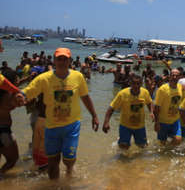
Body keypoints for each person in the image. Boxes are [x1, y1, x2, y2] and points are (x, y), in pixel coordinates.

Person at [16, 48, 99, 180]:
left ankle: (69, 172)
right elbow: (29, 90)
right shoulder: (44, 78)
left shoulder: (78, 77)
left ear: (69, 61)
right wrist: (21, 96)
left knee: (68, 159)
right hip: (51, 127)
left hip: (71, 127)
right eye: (59, 59)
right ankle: (54, 186)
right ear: (54, 61)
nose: (62, 62)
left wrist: (94, 116)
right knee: (53, 162)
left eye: (65, 59)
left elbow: (85, 97)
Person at [102, 75, 153, 149]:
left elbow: (150, 102)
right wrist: (106, 122)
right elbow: (111, 108)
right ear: (130, 83)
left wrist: (151, 112)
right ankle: (121, 143)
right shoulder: (122, 94)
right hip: (125, 126)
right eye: (134, 83)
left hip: (140, 126)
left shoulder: (145, 92)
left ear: (141, 84)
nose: (136, 86)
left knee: (142, 147)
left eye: (138, 84)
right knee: (124, 147)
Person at [154, 69, 183, 145]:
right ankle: (165, 154)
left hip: (175, 120)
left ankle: (169, 151)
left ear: (180, 77)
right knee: (162, 144)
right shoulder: (162, 89)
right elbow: (156, 107)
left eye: (176, 75)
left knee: (178, 139)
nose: (174, 77)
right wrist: (156, 122)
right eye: (172, 75)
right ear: (169, 76)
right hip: (163, 121)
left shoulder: (180, 87)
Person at [0, 70, 19, 175]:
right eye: (17, 78)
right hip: (4, 132)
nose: (18, 80)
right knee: (13, 159)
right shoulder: (8, 96)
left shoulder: (2, 93)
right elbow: (18, 103)